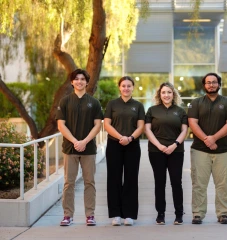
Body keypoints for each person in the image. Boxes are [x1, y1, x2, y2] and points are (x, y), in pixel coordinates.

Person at [188, 73, 227, 225]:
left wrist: (213, 138)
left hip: (223, 150)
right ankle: (198, 214)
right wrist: (207, 140)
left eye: (214, 82)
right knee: (199, 183)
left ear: (219, 84)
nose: (211, 85)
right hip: (200, 151)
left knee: (222, 184)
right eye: (208, 82)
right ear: (204, 85)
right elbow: (192, 123)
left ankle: (223, 213)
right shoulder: (196, 103)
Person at [56, 69, 104, 226]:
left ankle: (90, 215)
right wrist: (75, 141)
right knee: (69, 183)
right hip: (70, 149)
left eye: (82, 79)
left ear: (87, 82)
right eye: (76, 79)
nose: (79, 81)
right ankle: (67, 215)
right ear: (72, 82)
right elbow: (61, 125)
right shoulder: (65, 101)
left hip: (88, 149)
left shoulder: (94, 102)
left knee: (89, 182)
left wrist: (84, 141)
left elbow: (98, 125)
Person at [145, 82, 188, 225]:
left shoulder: (180, 111)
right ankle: (160, 214)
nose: (166, 95)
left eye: (169, 92)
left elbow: (184, 131)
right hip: (156, 151)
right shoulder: (152, 110)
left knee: (176, 182)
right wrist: (160, 146)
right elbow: (148, 130)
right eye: (163, 92)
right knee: (160, 182)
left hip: (176, 151)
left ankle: (179, 214)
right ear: (159, 95)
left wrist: (174, 145)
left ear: (173, 94)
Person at [104, 76, 145, 226]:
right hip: (114, 144)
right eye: (123, 86)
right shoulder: (112, 104)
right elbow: (107, 124)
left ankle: (129, 215)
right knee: (114, 179)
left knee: (131, 179)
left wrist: (130, 138)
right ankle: (116, 214)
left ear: (133, 88)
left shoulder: (138, 105)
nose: (126, 88)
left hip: (132, 145)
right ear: (119, 88)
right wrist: (121, 137)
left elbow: (141, 126)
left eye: (129, 86)